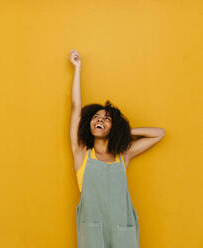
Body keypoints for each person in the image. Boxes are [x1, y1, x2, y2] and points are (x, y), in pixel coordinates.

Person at [69, 49, 165, 248]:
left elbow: (159, 133)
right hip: (92, 233)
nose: (99, 120)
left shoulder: (124, 156)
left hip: (123, 232)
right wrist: (78, 68)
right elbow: (75, 107)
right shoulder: (81, 154)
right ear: (88, 124)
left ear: (114, 127)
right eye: (96, 117)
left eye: (106, 119)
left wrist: (122, 132)